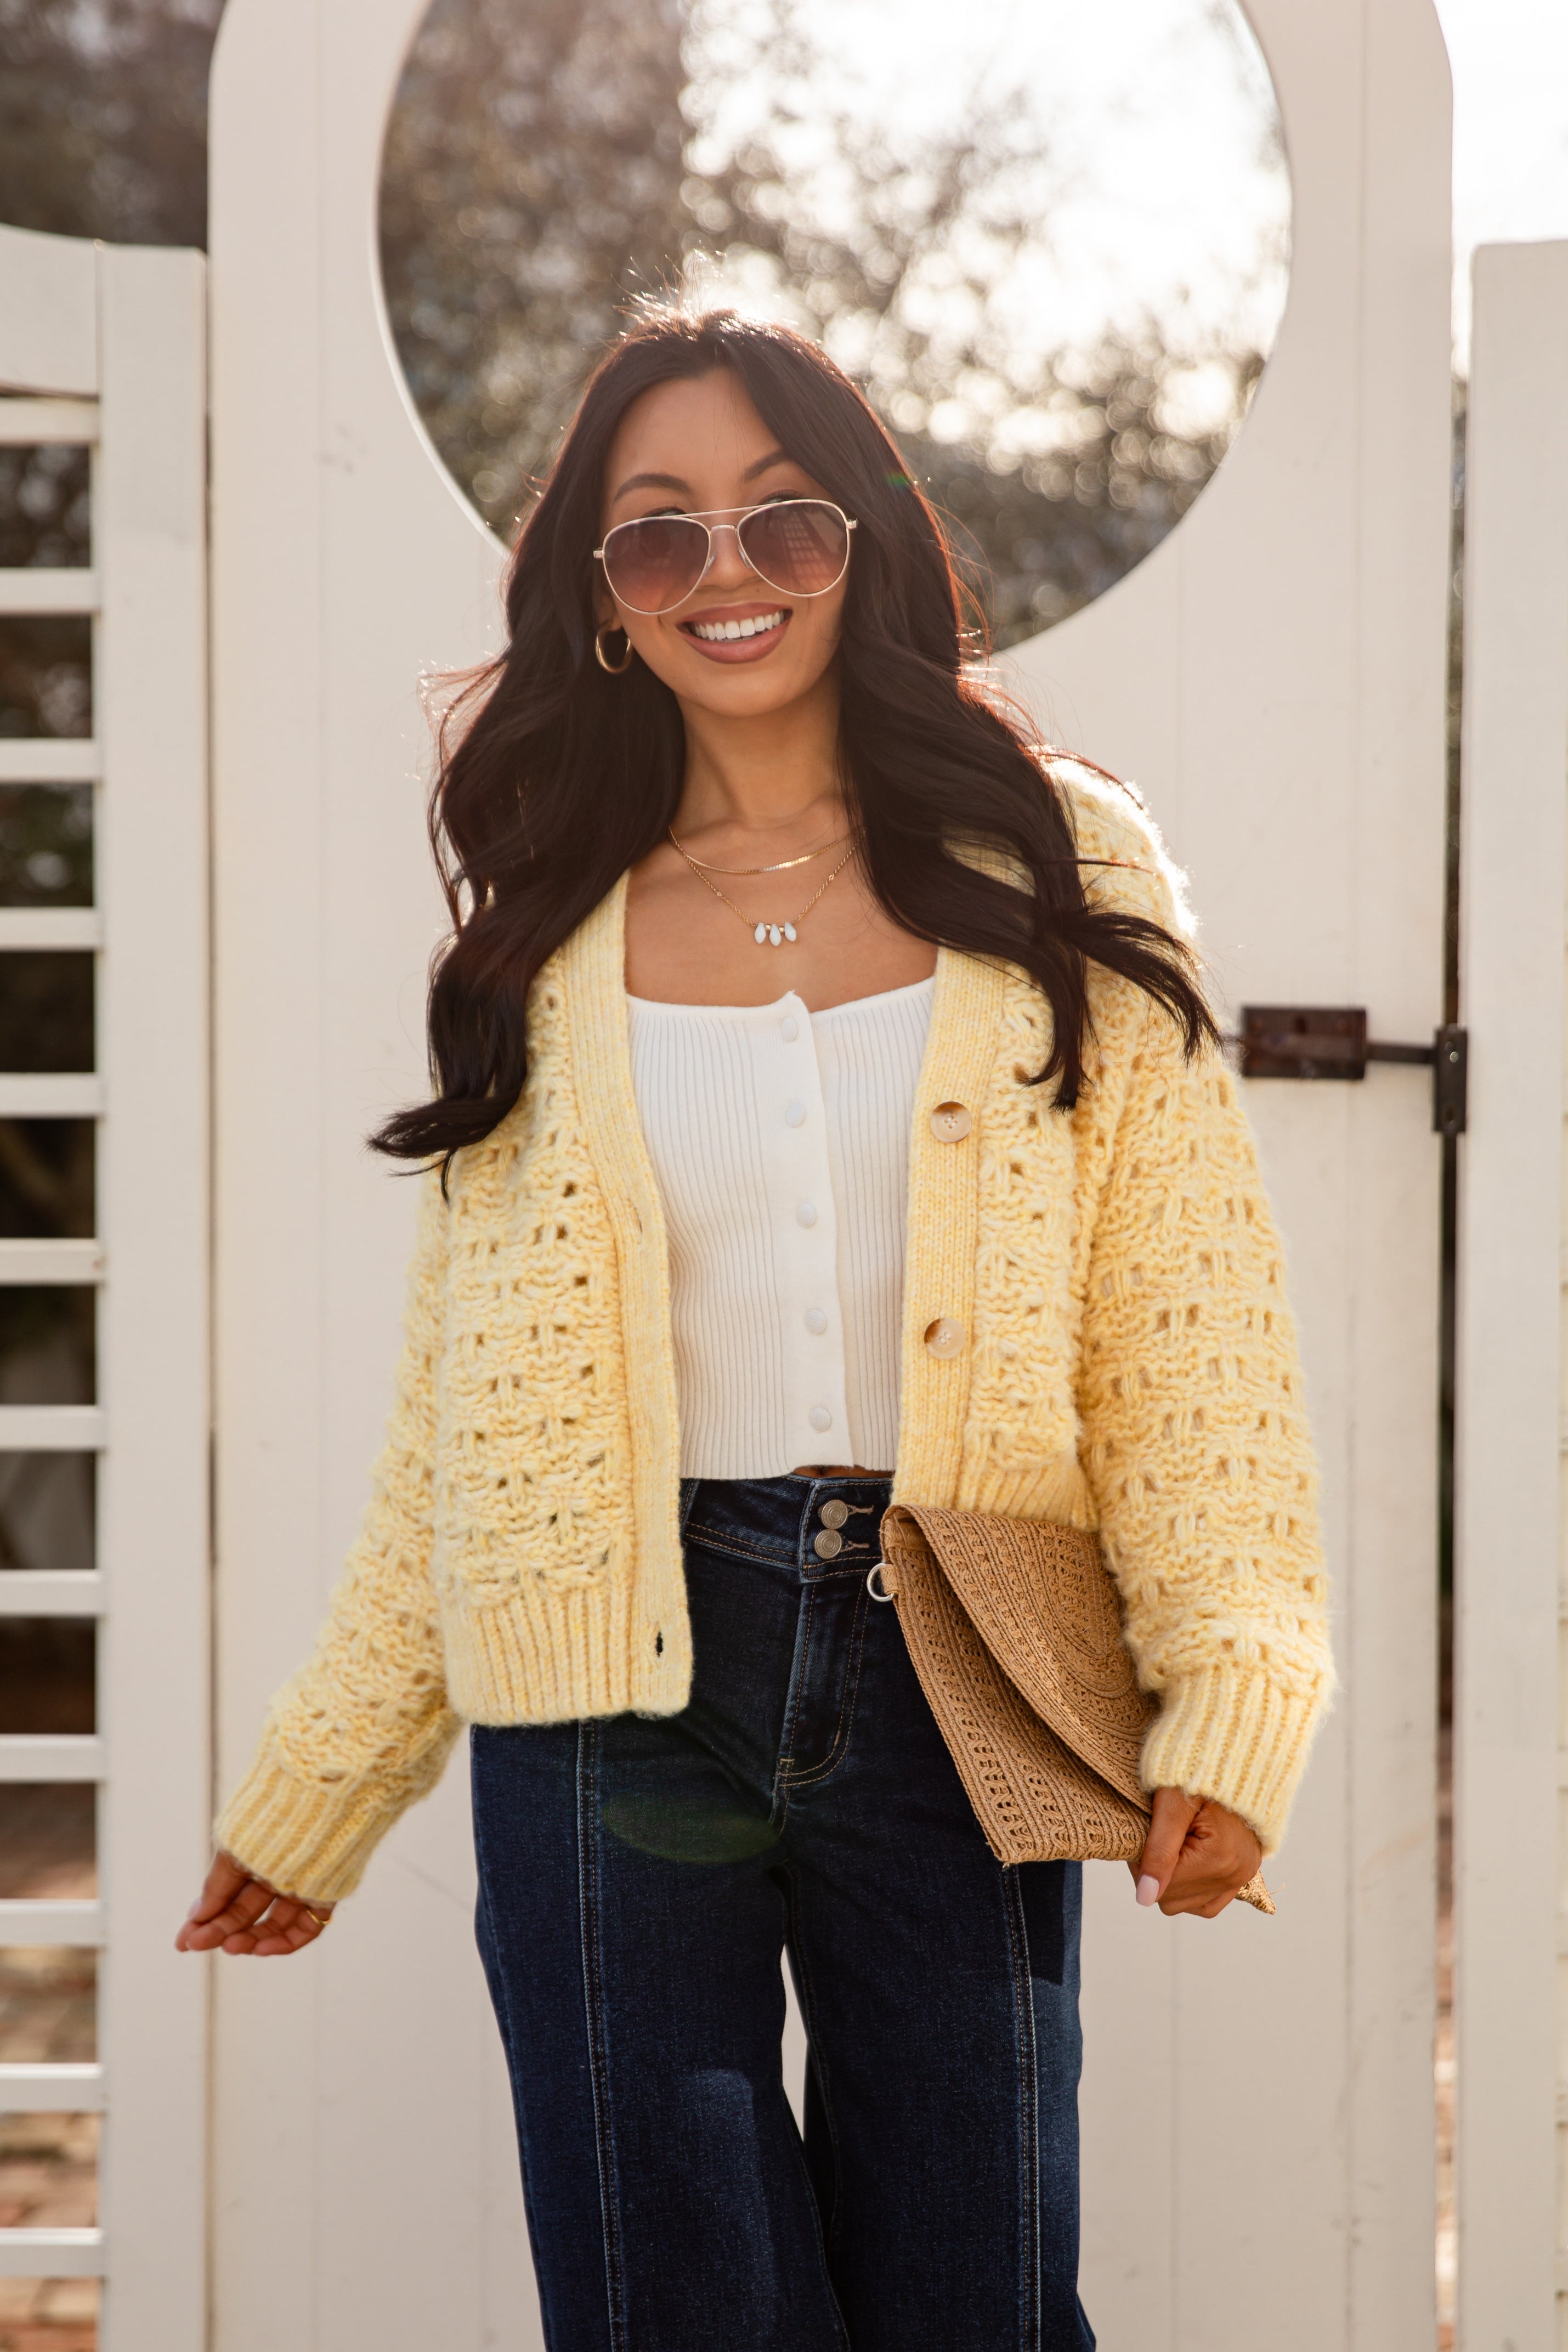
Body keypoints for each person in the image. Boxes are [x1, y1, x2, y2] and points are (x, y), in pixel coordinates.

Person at [178, 307, 1332, 2351]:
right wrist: (323, 1784)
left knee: (972, 2296)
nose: (726, 574)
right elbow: (468, 1415)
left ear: (864, 544)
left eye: (779, 520)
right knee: (667, 2306)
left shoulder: (1054, 855)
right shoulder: (549, 921)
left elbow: (1189, 1321)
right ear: (601, 602)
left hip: (957, 1652)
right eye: (658, 536)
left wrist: (1230, 1679)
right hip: (607, 1687)